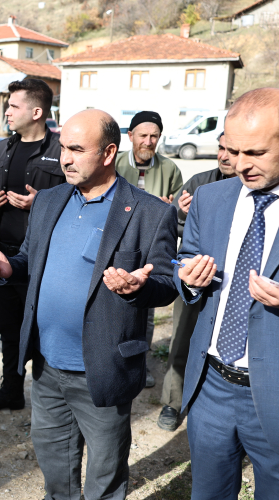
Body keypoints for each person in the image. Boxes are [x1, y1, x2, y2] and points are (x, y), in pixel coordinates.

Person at [0, 109, 178, 500]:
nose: (65, 159)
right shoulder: (48, 200)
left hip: (102, 370)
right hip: (47, 367)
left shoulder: (151, 212)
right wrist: (8, 267)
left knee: (105, 475)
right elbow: (29, 257)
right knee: (55, 467)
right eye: (62, 149)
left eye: (76, 149)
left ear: (108, 153)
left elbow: (166, 284)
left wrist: (136, 288)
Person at [175, 88, 279, 499]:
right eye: (233, 151)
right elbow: (184, 259)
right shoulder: (211, 197)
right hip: (211, 387)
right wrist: (189, 278)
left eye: (255, 152)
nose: (240, 165)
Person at [0, 79, 64, 412]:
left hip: (43, 260)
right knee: (8, 329)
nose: (7, 112)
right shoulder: (1, 149)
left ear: (37, 112)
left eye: (14, 106)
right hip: (3, 255)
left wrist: (41, 203)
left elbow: (78, 200)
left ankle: (49, 404)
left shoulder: (61, 150)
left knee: (43, 332)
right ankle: (11, 391)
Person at [157, 132, 236, 431]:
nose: (224, 156)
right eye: (221, 148)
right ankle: (172, 401)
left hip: (236, 284)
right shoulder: (199, 183)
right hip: (197, 280)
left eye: (232, 150)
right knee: (182, 338)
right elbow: (175, 229)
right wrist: (182, 213)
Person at [115, 110, 183, 387]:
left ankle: (139, 365)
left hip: (150, 250)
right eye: (143, 135)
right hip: (118, 246)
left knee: (147, 312)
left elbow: (180, 211)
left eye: (154, 136)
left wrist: (172, 208)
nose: (148, 141)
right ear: (130, 136)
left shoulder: (170, 169)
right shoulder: (115, 162)